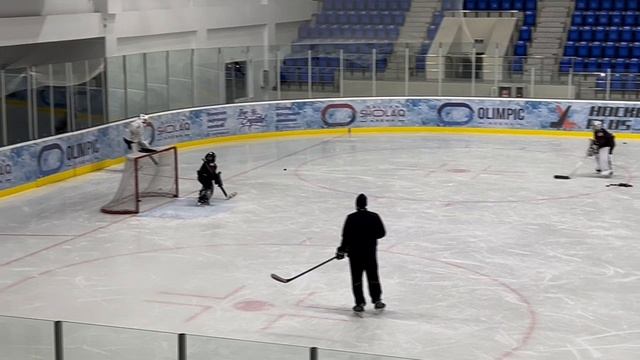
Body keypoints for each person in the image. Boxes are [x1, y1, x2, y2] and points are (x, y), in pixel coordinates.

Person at [336, 193, 386, 313]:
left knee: (356, 278)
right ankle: (377, 300)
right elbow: (381, 233)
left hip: (355, 254)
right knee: (373, 276)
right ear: (366, 204)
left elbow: (345, 236)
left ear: (356, 204)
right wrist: (370, 237)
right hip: (370, 253)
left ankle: (359, 303)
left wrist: (341, 250)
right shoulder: (374, 216)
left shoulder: (351, 218)